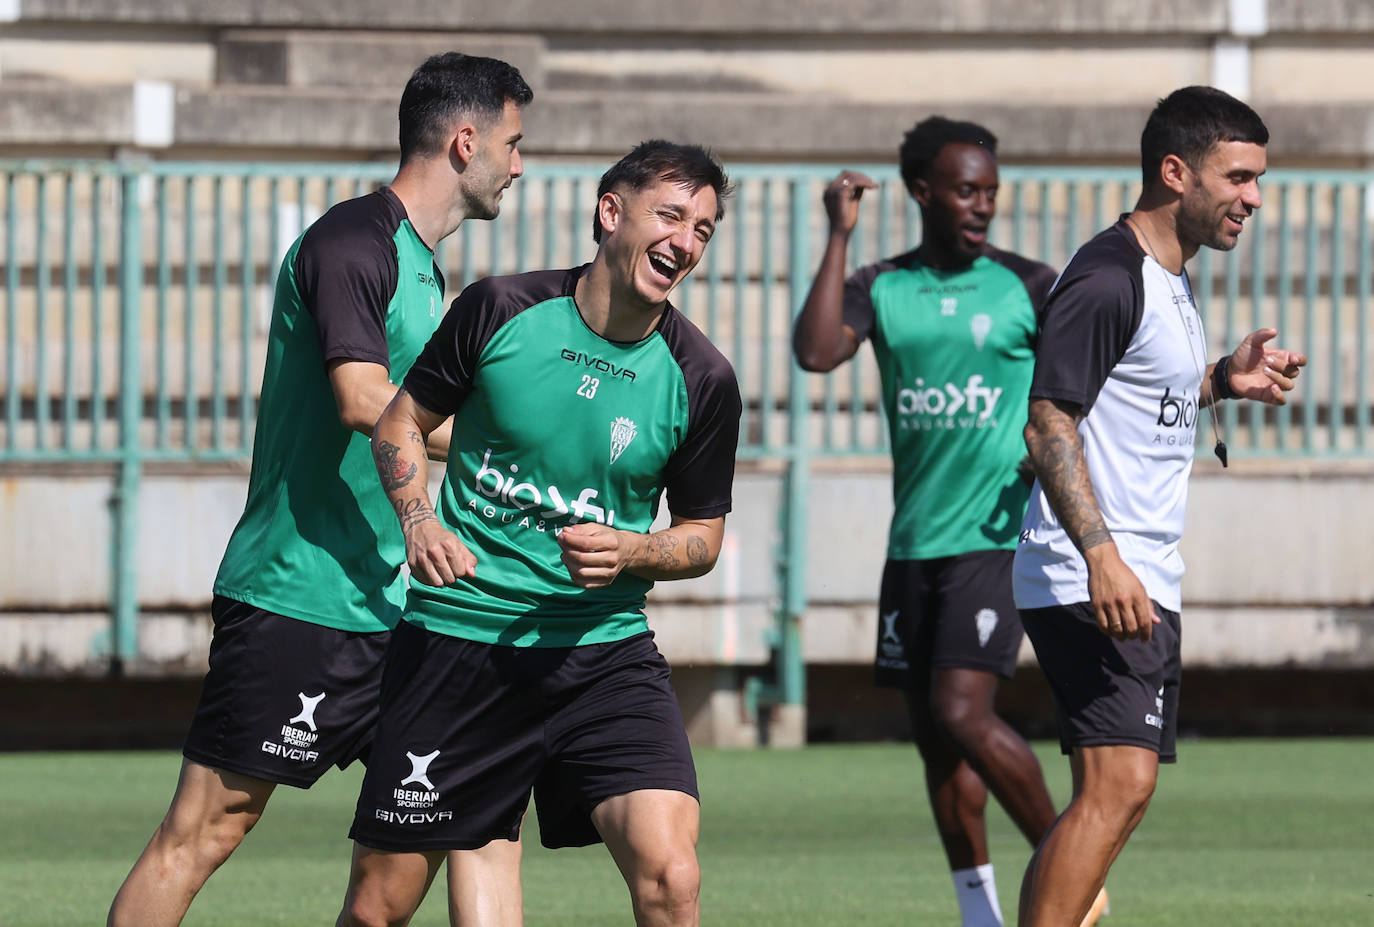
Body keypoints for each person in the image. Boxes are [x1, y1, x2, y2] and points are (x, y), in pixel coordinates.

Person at [108, 53, 533, 927]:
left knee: (403, 860)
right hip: (301, 594)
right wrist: (503, 452)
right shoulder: (352, 242)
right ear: (465, 142)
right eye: (513, 142)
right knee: (203, 834)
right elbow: (361, 398)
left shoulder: (421, 263)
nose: (520, 165)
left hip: (400, 610)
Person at [336, 139, 740, 927]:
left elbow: (702, 536)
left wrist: (635, 550)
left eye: (703, 229)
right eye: (671, 215)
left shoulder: (703, 378)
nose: (686, 242)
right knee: (381, 901)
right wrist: (418, 518)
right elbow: (398, 425)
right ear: (610, 212)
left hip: (602, 653)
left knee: (672, 874)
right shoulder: (500, 309)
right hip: (460, 640)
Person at [793, 116, 1106, 927]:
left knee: (964, 710)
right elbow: (818, 350)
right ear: (923, 192)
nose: (982, 206)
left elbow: (1090, 387)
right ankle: (979, 913)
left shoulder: (1030, 284)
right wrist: (837, 235)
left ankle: (1076, 874)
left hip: (996, 537)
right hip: (914, 545)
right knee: (938, 736)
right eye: (967, 190)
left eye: (991, 192)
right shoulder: (881, 282)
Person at [1013, 85, 1307, 927]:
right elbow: (1049, 420)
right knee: (1122, 786)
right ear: (1175, 172)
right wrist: (1103, 555)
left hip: (1131, 568)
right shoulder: (1108, 277)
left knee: (1108, 801)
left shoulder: (1164, 276)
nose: (1254, 197)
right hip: (1095, 570)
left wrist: (1221, 383)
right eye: (1239, 176)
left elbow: (1129, 398)